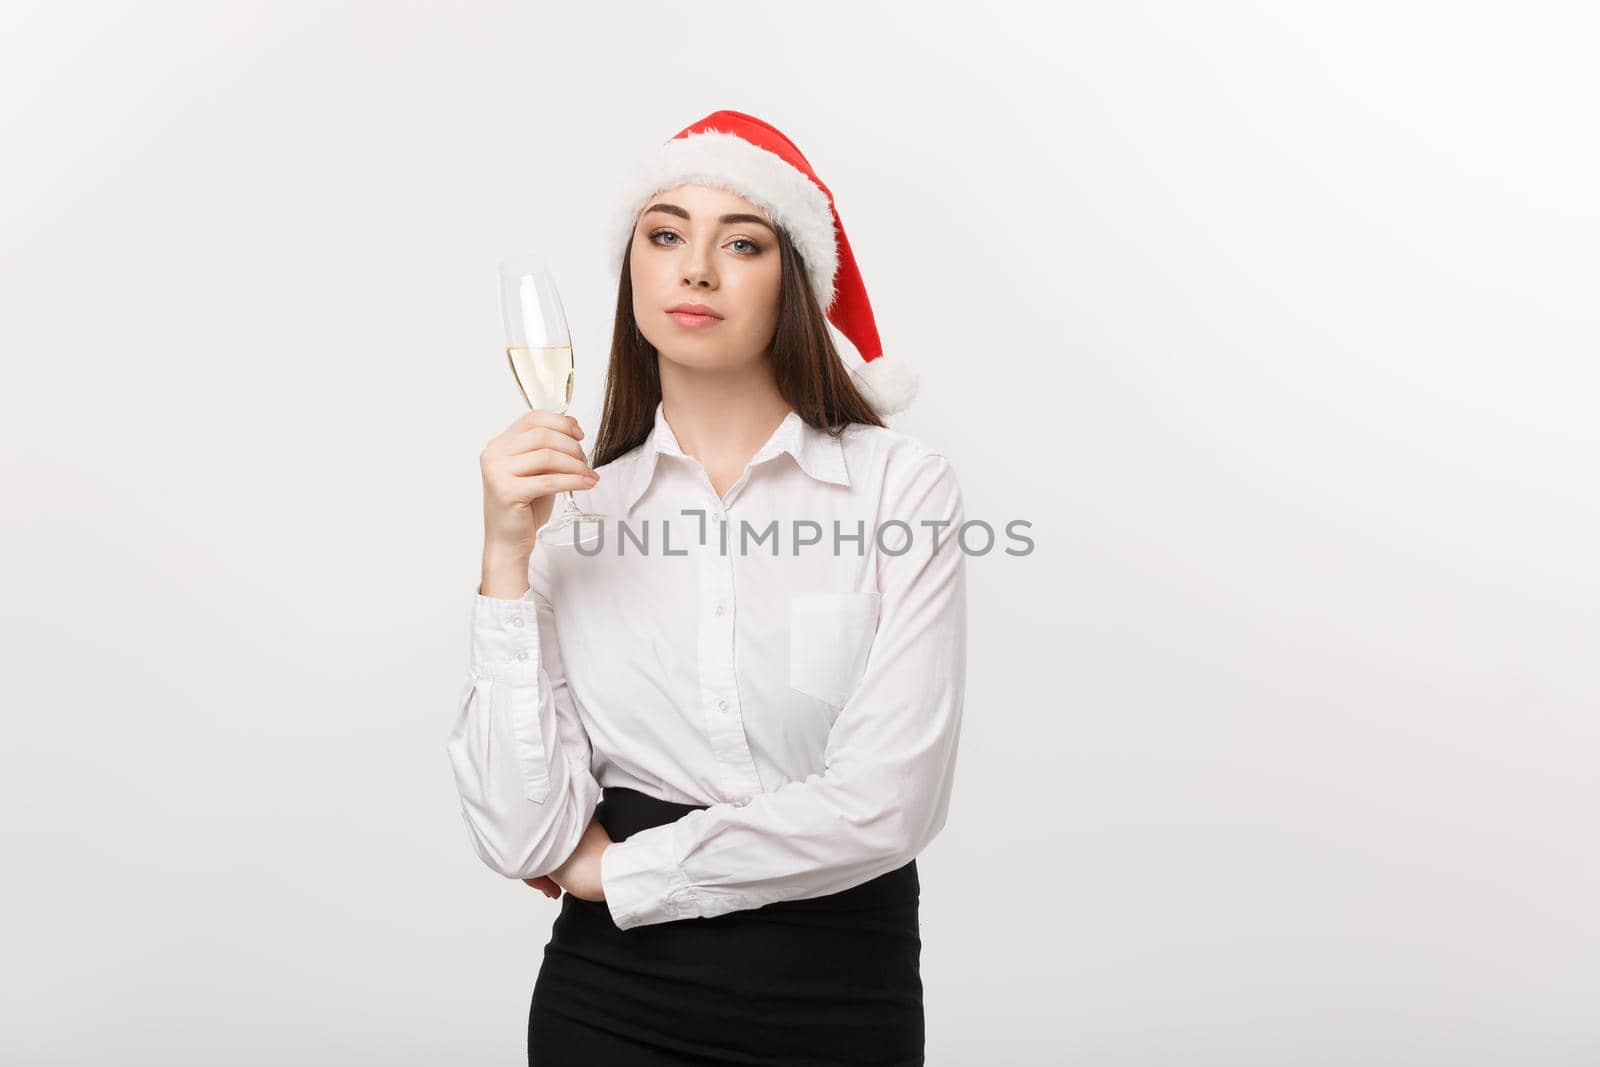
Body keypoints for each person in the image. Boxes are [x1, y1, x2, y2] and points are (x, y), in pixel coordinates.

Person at [446, 109, 968, 1067]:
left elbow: (891, 801)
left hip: (841, 994)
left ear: (793, 281)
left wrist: (618, 870)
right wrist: (505, 565)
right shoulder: (577, 516)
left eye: (742, 241)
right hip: (609, 1006)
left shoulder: (901, 488)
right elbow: (524, 832)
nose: (696, 269)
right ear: (634, 272)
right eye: (665, 234)